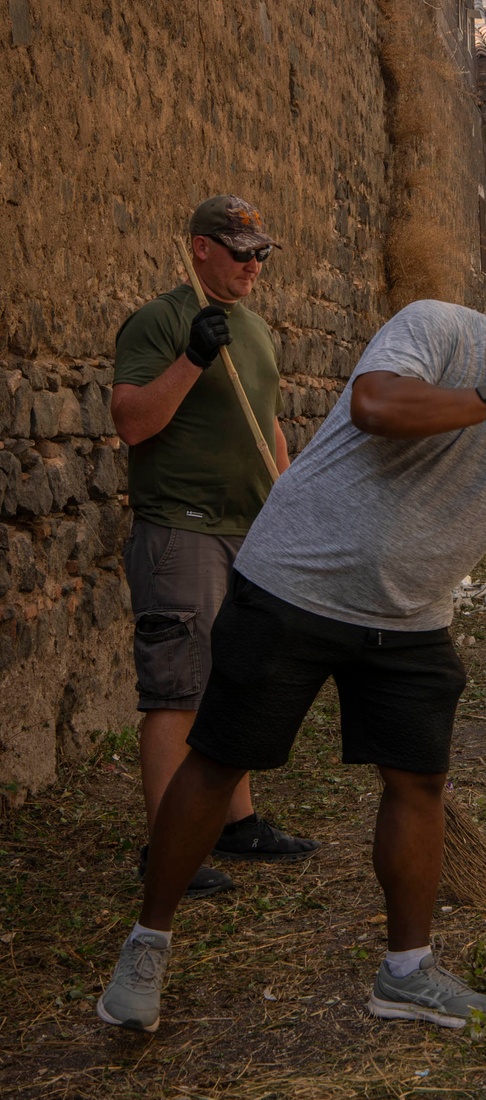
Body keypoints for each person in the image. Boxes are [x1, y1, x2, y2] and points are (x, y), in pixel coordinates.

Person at [96, 270, 486, 1034]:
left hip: (409, 615)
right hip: (297, 580)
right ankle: (149, 941)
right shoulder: (438, 329)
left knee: (418, 784)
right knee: (220, 758)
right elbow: (375, 406)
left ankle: (406, 971)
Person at [111, 195, 318, 900]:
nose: (254, 263)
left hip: (250, 529)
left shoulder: (255, 328)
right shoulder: (160, 320)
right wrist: (194, 356)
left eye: (261, 251)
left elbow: (268, 422)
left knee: (235, 678)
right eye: (240, 251)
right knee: (178, 691)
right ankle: (168, 845)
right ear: (200, 248)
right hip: (183, 528)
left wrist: (287, 499)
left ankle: (236, 822)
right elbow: (133, 422)